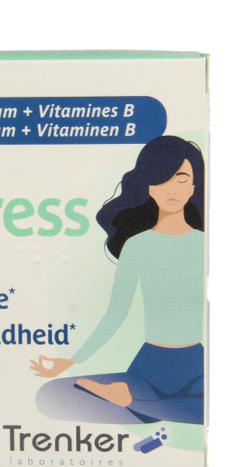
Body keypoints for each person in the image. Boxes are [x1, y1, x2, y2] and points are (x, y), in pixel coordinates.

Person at [31, 136, 205, 424]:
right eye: (161, 179)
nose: (171, 189)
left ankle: (136, 404)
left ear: (194, 186)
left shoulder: (203, 245)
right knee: (50, 396)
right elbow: (116, 312)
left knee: (198, 403)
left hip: (195, 367)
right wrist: (71, 361)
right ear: (149, 186)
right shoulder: (137, 246)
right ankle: (156, 405)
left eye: (181, 179)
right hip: (148, 368)